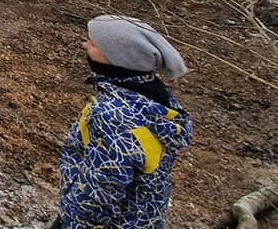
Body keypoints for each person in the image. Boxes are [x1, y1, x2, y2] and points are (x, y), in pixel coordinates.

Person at [55, 15, 193, 229]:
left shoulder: (114, 117)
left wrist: (73, 222)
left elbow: (102, 189)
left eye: (92, 44)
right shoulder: (153, 97)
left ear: (116, 59)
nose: (85, 45)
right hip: (143, 218)